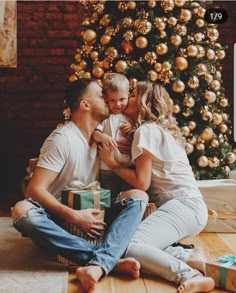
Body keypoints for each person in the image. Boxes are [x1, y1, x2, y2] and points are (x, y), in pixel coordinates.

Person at [11, 78, 148, 293]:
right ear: (85, 105)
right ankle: (105, 261)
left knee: (138, 195)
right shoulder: (62, 139)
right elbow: (34, 190)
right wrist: (74, 217)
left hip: (94, 216)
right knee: (21, 210)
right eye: (101, 95)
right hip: (59, 220)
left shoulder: (103, 138)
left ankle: (98, 262)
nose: (107, 98)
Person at [98, 81, 215, 293]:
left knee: (130, 245)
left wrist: (112, 163)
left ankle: (189, 274)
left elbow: (142, 183)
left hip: (184, 207)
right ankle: (189, 257)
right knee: (143, 243)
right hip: (187, 207)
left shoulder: (147, 131)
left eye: (132, 95)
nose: (127, 99)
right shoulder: (153, 131)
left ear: (143, 103)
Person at [93, 73, 135, 201]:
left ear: (128, 95)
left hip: (128, 166)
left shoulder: (130, 116)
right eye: (112, 100)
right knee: (108, 198)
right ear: (106, 99)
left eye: (122, 99)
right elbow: (95, 133)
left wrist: (132, 129)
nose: (117, 104)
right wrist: (103, 136)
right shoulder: (105, 116)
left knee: (127, 196)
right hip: (107, 167)